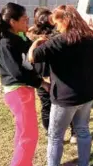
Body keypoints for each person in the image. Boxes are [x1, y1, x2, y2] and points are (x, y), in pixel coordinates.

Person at [28, 5, 93, 166]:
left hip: (66, 98)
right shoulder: (91, 38)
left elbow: (32, 58)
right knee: (83, 131)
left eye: (57, 22)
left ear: (65, 20)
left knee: (55, 136)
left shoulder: (58, 41)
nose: (56, 27)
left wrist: (36, 42)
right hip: (87, 93)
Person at [0, 3, 47, 166]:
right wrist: (41, 83)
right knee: (28, 136)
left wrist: (38, 40)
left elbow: (29, 48)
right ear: (12, 22)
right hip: (17, 92)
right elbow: (17, 72)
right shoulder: (5, 43)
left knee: (25, 134)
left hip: (22, 91)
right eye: (24, 19)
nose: (28, 21)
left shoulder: (16, 37)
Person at [27, 7, 76, 143]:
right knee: (47, 105)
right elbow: (30, 57)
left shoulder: (56, 35)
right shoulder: (33, 37)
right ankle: (52, 133)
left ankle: (73, 133)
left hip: (57, 75)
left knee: (67, 104)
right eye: (49, 18)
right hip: (43, 75)